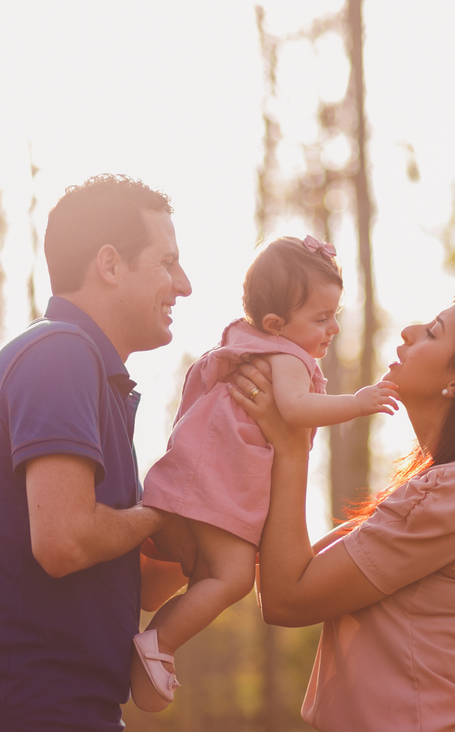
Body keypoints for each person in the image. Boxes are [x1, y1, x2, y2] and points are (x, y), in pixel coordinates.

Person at [0, 174, 195, 732]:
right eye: (167, 263)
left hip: (66, 709)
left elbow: (140, 583)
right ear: (110, 264)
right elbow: (64, 541)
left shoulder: (91, 375)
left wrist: (228, 513)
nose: (183, 285)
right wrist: (155, 516)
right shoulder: (60, 356)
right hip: (13, 711)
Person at [234, 283, 455, 732]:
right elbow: (289, 568)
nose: (407, 331)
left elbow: (287, 598)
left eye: (433, 333)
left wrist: (290, 445)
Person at [130, 235, 400, 711]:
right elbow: (295, 410)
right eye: (321, 318)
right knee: (232, 579)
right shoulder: (287, 357)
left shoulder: (247, 342)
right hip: (219, 486)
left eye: (334, 314)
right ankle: (157, 644)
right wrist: (357, 403)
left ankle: (152, 640)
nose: (332, 328)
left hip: (202, 476)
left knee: (208, 576)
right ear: (277, 324)